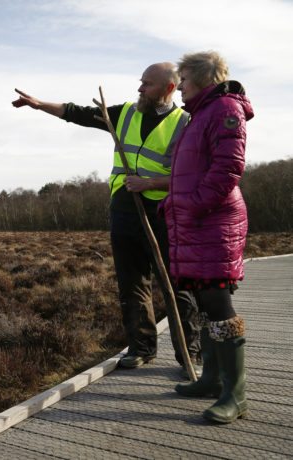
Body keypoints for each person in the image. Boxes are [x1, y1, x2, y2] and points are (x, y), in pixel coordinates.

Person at [12, 62, 202, 375]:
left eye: (147, 84)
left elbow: (194, 177)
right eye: (140, 82)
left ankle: (188, 354)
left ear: (169, 88)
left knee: (177, 285)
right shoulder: (126, 112)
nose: (139, 89)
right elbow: (78, 113)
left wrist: (151, 184)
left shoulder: (187, 123)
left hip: (166, 214)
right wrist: (39, 104)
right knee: (132, 285)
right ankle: (141, 349)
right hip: (124, 211)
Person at [164, 51, 253, 424]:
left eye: (183, 79)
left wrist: (193, 204)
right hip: (198, 220)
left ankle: (236, 394)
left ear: (200, 78)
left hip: (214, 221)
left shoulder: (224, 109)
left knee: (218, 302)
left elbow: (228, 167)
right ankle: (213, 378)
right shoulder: (200, 113)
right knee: (205, 301)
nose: (180, 86)